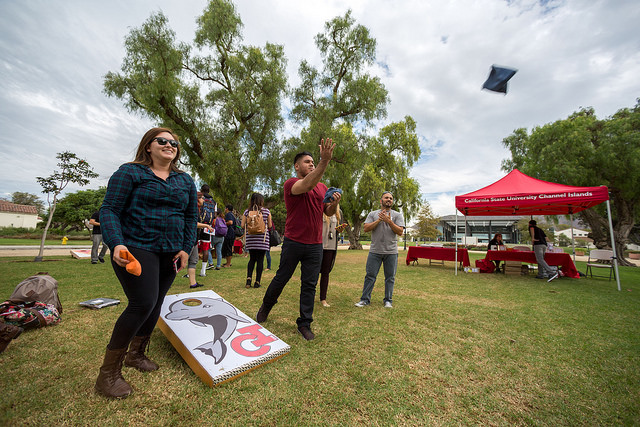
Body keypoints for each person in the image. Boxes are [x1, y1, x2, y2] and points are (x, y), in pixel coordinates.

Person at [96, 127, 197, 399]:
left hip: (171, 252)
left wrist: (186, 248)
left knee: (156, 302)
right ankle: (107, 375)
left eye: (174, 142)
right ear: (148, 146)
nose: (169, 145)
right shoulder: (130, 172)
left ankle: (136, 354)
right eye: (162, 141)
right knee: (142, 302)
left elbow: (190, 218)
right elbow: (109, 210)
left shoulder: (185, 180)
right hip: (135, 247)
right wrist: (116, 242)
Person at [255, 139, 341, 341]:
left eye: (313, 162)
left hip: (315, 245)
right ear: (297, 166)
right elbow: (307, 184)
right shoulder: (291, 183)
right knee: (281, 278)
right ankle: (266, 307)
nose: (311, 164)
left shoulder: (322, 188)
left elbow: (326, 211)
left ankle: (304, 323)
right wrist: (324, 161)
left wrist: (334, 204)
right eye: (307, 162)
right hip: (294, 242)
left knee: (309, 285)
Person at [355, 192, 405, 309]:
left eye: (391, 198)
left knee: (390, 277)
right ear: (381, 200)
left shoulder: (397, 215)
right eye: (386, 198)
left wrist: (389, 221)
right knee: (370, 276)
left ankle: (388, 300)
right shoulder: (372, 214)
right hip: (375, 251)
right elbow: (366, 228)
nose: (389, 200)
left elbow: (400, 232)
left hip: (391, 252)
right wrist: (379, 220)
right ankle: (365, 300)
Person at [241, 193, 272, 289]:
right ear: (261, 201)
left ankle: (248, 280)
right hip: (262, 240)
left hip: (251, 239)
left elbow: (242, 225)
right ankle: (257, 281)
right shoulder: (266, 211)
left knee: (252, 259)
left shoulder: (247, 212)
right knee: (260, 260)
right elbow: (270, 226)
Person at [185, 192, 214, 288]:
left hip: (194, 237)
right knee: (182, 260)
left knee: (194, 260)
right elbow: (194, 223)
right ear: (197, 199)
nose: (203, 200)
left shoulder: (198, 210)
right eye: (202, 198)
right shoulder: (192, 209)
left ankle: (193, 283)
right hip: (188, 237)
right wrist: (206, 225)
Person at [318, 208, 343, 307]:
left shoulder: (339, 212)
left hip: (331, 247)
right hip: (317, 245)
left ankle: (323, 299)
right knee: (313, 273)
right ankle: (309, 297)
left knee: (325, 273)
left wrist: (340, 230)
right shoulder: (320, 209)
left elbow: (338, 230)